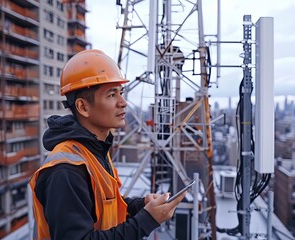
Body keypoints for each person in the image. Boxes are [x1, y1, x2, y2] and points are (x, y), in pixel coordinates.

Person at [29, 49, 186, 239]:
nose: (123, 102)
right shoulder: (66, 170)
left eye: (121, 93)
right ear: (83, 107)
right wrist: (146, 220)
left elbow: (106, 207)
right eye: (112, 95)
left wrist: (141, 205)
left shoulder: (94, 150)